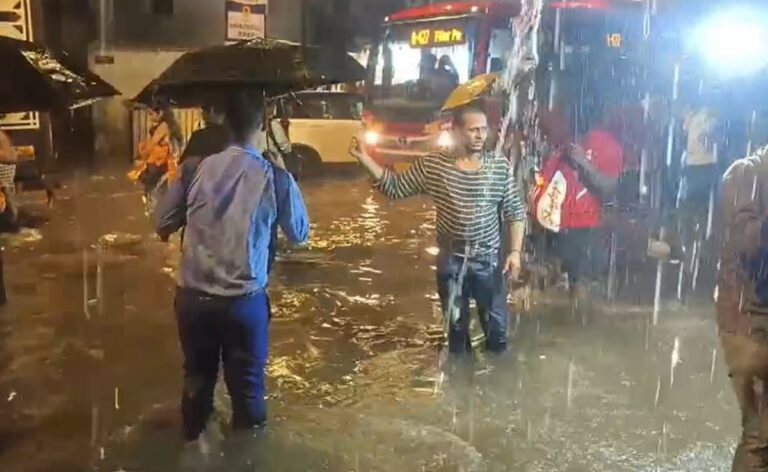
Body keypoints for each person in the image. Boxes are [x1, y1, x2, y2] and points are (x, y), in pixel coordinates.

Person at [153, 90, 310, 447]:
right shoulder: (274, 176)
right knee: (249, 393)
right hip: (244, 304)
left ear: (225, 123)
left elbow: (161, 223)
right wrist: (283, 169)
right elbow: (300, 232)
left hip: (193, 301)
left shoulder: (194, 168)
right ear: (262, 125)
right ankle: (247, 460)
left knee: (196, 380)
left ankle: (191, 451)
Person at [353, 105, 526, 354]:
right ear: (455, 131)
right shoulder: (434, 165)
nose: (480, 135)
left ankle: (497, 385)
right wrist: (365, 159)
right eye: (473, 130)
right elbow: (395, 187)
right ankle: (460, 386)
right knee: (456, 335)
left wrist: (515, 252)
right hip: (451, 262)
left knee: (497, 334)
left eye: (483, 129)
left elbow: (515, 212)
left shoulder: (498, 167)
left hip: (488, 261)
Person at [532, 106, 623, 298]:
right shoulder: (562, 147)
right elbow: (544, 182)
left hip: (586, 228)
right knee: (557, 285)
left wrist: (584, 164)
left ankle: (580, 314)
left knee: (580, 285)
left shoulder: (607, 146)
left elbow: (609, 188)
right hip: (557, 227)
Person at [718, 145, 768, 471]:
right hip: (750, 325)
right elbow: (749, 244)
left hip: (750, 320)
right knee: (760, 437)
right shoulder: (743, 174)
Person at [128, 105, 183, 213]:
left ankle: (155, 213)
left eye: (151, 114)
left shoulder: (163, 126)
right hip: (163, 165)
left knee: (154, 191)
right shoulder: (168, 126)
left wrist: (141, 158)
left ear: (161, 113)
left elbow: (151, 145)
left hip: (160, 165)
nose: (150, 117)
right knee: (158, 191)